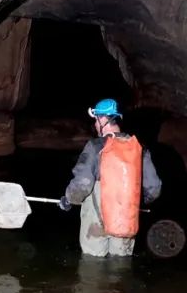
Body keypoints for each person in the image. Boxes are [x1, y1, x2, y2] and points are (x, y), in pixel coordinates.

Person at [58, 99, 161, 257]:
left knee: (92, 265)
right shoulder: (139, 148)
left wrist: (69, 199)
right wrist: (138, 201)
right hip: (126, 217)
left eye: (97, 120)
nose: (96, 125)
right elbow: (154, 187)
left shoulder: (95, 146)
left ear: (103, 119)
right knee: (120, 268)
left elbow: (83, 184)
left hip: (97, 219)